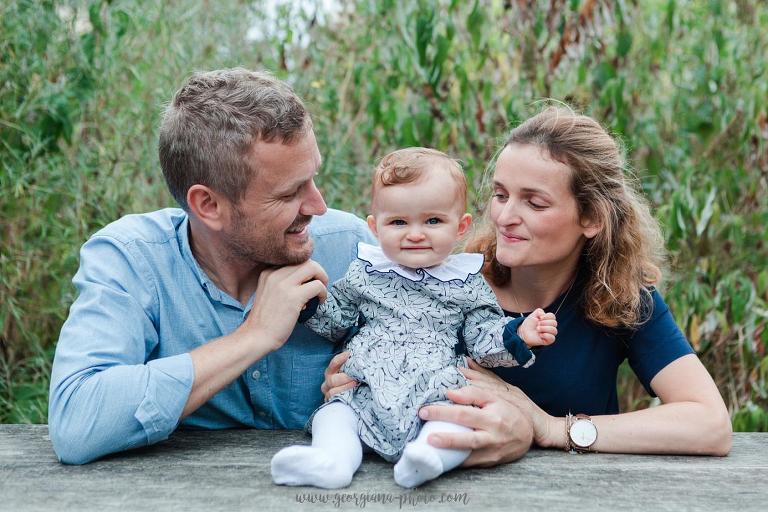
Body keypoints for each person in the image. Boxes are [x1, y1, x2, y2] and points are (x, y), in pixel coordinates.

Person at [321, 107, 732, 464]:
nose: (504, 217)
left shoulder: (620, 298)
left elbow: (710, 424)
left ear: (591, 218)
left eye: (534, 203)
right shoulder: (447, 285)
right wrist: (353, 385)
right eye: (500, 195)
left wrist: (553, 429)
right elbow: (363, 339)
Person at [47, 68, 377, 464]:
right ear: (208, 206)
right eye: (289, 193)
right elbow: (76, 421)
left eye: (312, 179)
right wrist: (253, 336)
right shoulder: (131, 260)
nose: (318, 206)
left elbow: (446, 351)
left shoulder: (350, 248)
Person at [270, 148, 556, 488]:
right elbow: (339, 319)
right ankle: (332, 462)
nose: (416, 233)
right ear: (375, 228)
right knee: (334, 416)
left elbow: (482, 336)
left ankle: (428, 457)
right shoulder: (365, 273)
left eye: (433, 221)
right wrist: (310, 304)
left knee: (455, 421)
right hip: (367, 386)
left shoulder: (467, 283)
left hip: (435, 388)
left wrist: (517, 333)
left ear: (460, 226)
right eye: (399, 222)